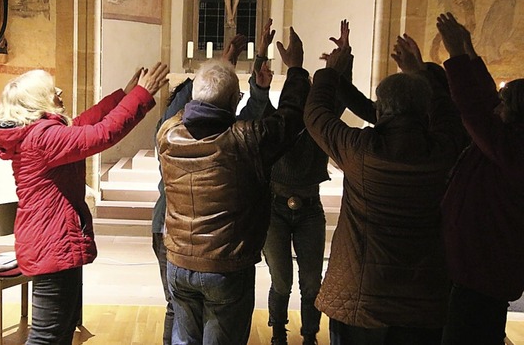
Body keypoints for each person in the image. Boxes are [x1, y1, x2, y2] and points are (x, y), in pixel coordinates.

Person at [304, 30, 468, 345]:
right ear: (425, 110)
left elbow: (315, 116)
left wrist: (329, 73)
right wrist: (421, 72)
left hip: (362, 298)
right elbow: (448, 112)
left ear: (380, 111)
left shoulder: (361, 149)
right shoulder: (444, 148)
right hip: (421, 298)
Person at [0, 63, 169, 345]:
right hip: (52, 243)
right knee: (46, 337)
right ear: (38, 101)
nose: (59, 91)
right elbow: (102, 134)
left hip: (52, 241)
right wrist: (141, 95)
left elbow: (85, 123)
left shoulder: (42, 132)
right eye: (52, 90)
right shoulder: (43, 138)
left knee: (60, 333)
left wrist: (125, 94)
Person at [157, 27, 310, 345]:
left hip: (179, 261)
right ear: (234, 101)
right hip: (226, 264)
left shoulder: (167, 134)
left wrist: (221, 70)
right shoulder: (247, 139)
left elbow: (193, 106)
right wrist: (295, 69)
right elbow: (291, 118)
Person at [436, 12, 524, 345]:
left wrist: (457, 56)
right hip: (474, 272)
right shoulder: (507, 139)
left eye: (504, 104)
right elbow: (486, 101)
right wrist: (470, 52)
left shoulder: (513, 148)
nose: (496, 108)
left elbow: (474, 108)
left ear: (514, 112)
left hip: (482, 276)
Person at [263, 20, 351, 345]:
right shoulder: (279, 120)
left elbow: (342, 100)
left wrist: (344, 60)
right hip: (275, 208)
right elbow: (263, 105)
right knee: (281, 280)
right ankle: (276, 333)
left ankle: (310, 336)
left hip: (309, 209)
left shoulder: (321, 124)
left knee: (312, 282)